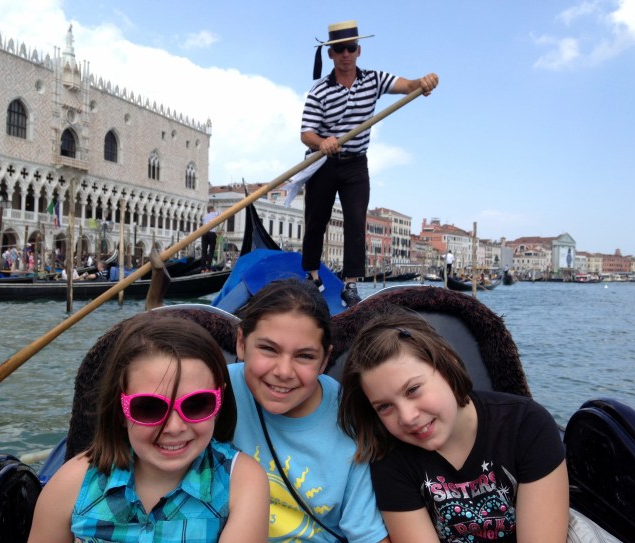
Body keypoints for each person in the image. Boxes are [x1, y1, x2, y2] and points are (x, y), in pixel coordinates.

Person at [27, 312, 269, 543]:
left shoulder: (241, 483)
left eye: (196, 404)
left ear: (219, 402)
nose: (174, 427)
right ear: (120, 409)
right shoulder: (71, 484)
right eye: (149, 408)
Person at [337, 311, 569, 543]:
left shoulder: (526, 425)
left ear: (447, 364)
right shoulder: (390, 458)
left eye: (413, 389)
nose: (407, 417)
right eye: (385, 406)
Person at [230, 278, 390, 543]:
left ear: (325, 360)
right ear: (241, 343)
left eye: (304, 356)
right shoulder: (212, 393)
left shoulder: (351, 417)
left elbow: (367, 535)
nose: (283, 372)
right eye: (268, 349)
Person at [301, 20, 439, 307]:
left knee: (355, 220)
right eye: (340, 49)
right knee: (316, 220)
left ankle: (350, 284)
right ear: (331, 54)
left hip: (355, 164)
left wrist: (424, 82)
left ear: (359, 51)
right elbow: (306, 134)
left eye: (351, 48)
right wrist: (322, 142)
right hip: (322, 162)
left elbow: (408, 86)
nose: (346, 54)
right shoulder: (319, 91)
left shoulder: (374, 80)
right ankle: (312, 277)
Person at [201, 206, 219, 273]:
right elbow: (222, 213)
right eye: (213, 209)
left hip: (204, 233)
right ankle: (208, 268)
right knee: (211, 251)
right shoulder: (215, 214)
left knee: (204, 251)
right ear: (211, 209)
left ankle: (203, 269)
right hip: (212, 233)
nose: (214, 210)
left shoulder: (204, 216)